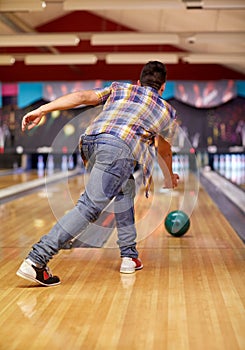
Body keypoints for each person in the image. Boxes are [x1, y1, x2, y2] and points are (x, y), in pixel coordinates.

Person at [16, 61, 179, 286]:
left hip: (91, 141)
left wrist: (42, 109)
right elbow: (164, 150)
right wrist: (170, 178)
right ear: (163, 88)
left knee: (125, 189)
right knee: (90, 207)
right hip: (118, 148)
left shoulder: (121, 88)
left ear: (138, 83)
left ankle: (129, 255)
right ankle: (37, 260)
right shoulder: (166, 110)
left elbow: (82, 97)